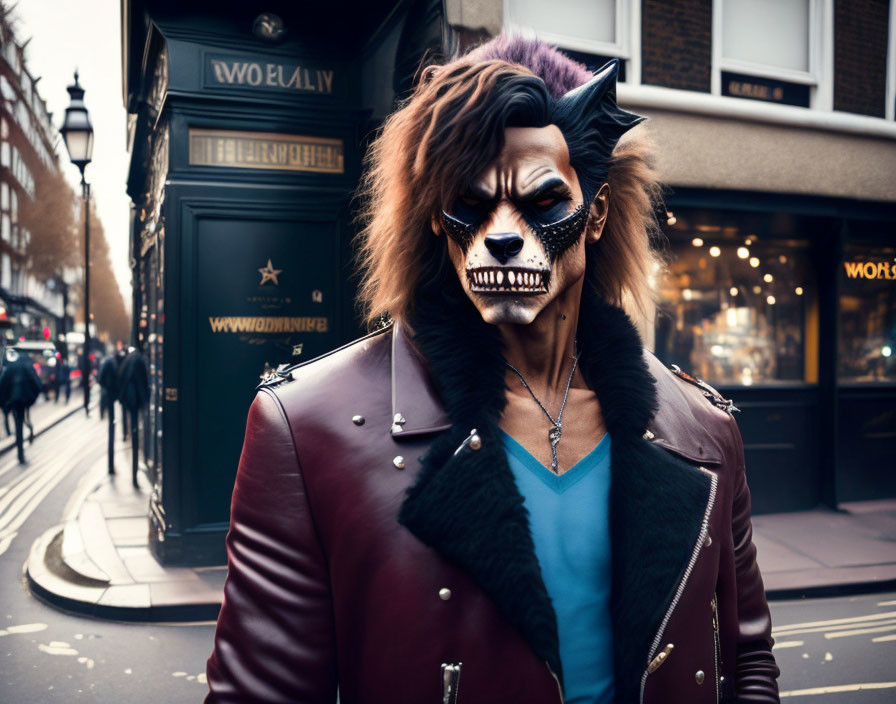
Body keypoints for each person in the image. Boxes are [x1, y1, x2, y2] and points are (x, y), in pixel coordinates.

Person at [206, 37, 779, 703]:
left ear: (594, 213)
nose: (502, 233)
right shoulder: (306, 430)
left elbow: (745, 660)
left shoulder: (703, 429)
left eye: (542, 204)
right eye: (471, 206)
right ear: (434, 221)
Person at [0, 349, 42, 464]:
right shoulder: (28, 365)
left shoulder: (11, 367)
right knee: (23, 419)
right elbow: (37, 383)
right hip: (25, 399)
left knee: (18, 423)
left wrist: (4, 401)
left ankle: (20, 452)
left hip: (14, 400)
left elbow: (2, 384)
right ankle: (27, 436)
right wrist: (32, 398)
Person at [118, 347, 149, 488]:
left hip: (129, 401)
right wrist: (145, 402)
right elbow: (142, 383)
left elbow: (121, 378)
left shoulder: (128, 360)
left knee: (134, 432)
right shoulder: (138, 360)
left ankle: (134, 474)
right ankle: (135, 477)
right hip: (134, 401)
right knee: (136, 435)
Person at [98, 349, 126, 474]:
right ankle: (110, 466)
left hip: (110, 395)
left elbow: (101, 379)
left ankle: (111, 464)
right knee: (111, 427)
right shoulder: (112, 363)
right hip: (110, 395)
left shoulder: (110, 362)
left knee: (112, 427)